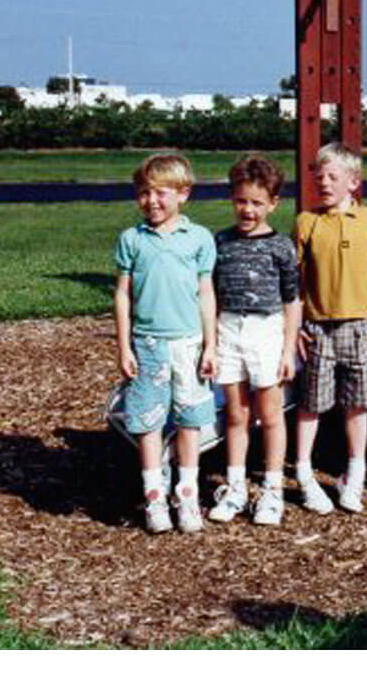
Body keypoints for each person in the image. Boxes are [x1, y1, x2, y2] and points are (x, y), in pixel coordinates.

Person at [113, 154, 217, 534]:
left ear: (183, 194)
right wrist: (124, 347)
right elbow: (123, 296)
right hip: (148, 345)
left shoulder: (200, 239)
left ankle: (187, 496)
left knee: (190, 421)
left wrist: (210, 345)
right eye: (143, 193)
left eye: (161, 193)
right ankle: (154, 495)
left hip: (189, 345)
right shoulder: (131, 240)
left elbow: (206, 292)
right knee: (147, 421)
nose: (151, 201)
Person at [292, 143, 367, 514]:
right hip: (318, 328)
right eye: (320, 177)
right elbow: (298, 283)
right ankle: (302, 472)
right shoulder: (306, 221)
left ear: (354, 182)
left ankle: (354, 471)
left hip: (360, 327)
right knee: (311, 404)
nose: (324, 183)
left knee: (357, 404)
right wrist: (298, 324)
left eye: (333, 177)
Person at [207, 156, 300, 526]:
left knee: (270, 414)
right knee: (235, 413)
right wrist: (210, 343)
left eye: (257, 203)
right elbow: (210, 295)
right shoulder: (220, 242)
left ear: (273, 204)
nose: (248, 209)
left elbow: (293, 300)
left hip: (267, 331)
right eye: (242, 201)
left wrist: (288, 350)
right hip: (229, 330)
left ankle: (273, 490)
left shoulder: (281, 247)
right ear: (232, 199)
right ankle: (235, 487)